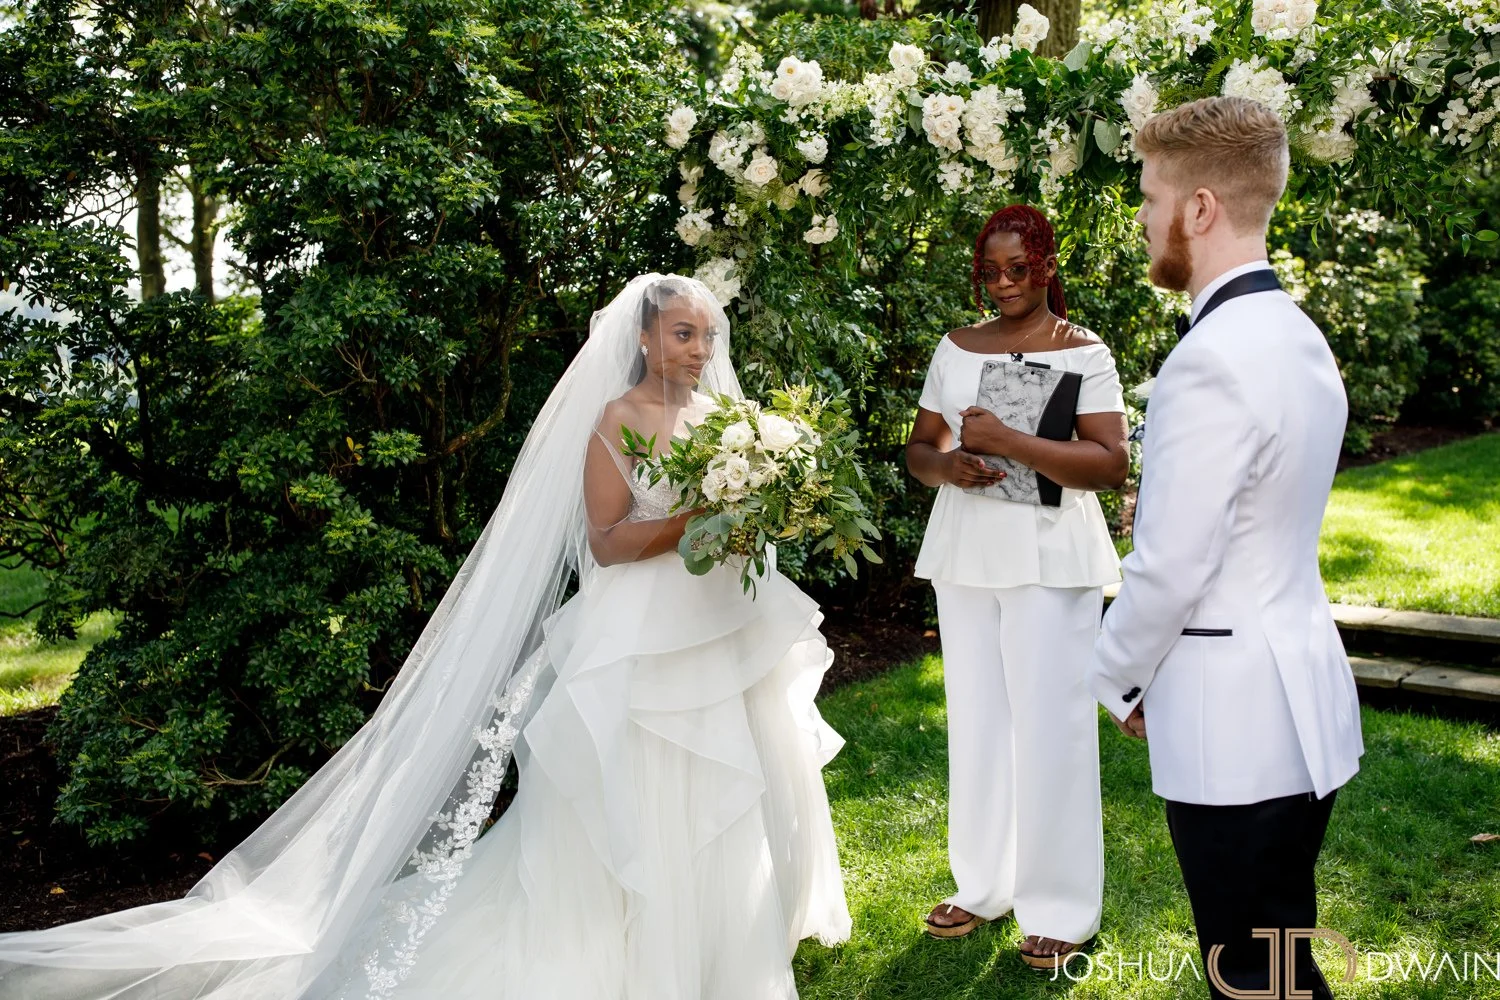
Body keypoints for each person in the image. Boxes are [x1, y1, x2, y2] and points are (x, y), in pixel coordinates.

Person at [0, 275, 852, 1000]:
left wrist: (752, 512)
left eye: (707, 335)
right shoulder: (614, 419)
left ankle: (724, 939)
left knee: (727, 765)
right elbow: (606, 540)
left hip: (715, 616)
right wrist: (700, 517)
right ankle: (638, 947)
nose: (700, 349)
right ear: (641, 335)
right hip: (638, 632)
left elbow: (738, 518)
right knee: (649, 781)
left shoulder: (730, 424)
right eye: (682, 333)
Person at [1088, 96, 1364, 1000]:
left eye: (1148, 195)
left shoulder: (1209, 358)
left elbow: (1170, 567)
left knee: (1251, 977)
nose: (1140, 218)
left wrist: (1116, 676)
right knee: (1282, 963)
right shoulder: (1298, 336)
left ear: (1198, 208)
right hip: (1299, 706)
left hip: (1232, 724)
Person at [904, 204, 1129, 968]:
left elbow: (1108, 464)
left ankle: (1062, 906)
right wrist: (951, 466)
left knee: (1051, 728)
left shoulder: (1085, 351)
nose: (1002, 284)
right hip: (968, 548)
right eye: (990, 272)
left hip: (1051, 555)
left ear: (1048, 267)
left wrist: (1008, 442)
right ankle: (983, 886)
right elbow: (919, 449)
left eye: (1018, 270)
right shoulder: (956, 347)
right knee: (976, 720)